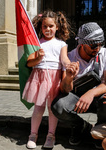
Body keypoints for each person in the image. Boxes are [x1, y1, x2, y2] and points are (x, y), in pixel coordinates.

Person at [51, 22, 106, 146]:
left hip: (98, 99)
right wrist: (69, 78)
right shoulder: (70, 57)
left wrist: (91, 93)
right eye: (93, 45)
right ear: (82, 43)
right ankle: (80, 126)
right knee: (58, 105)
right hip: (77, 100)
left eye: (100, 44)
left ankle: (100, 129)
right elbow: (65, 90)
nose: (97, 48)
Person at [22, 10, 71, 149]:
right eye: (45, 26)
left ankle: (50, 136)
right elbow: (29, 63)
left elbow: (64, 59)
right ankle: (33, 135)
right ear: (41, 27)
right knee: (38, 108)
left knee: (52, 109)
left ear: (57, 27)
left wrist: (69, 65)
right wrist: (38, 58)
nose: (48, 29)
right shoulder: (36, 43)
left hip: (54, 79)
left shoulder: (61, 44)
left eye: (51, 26)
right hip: (39, 77)